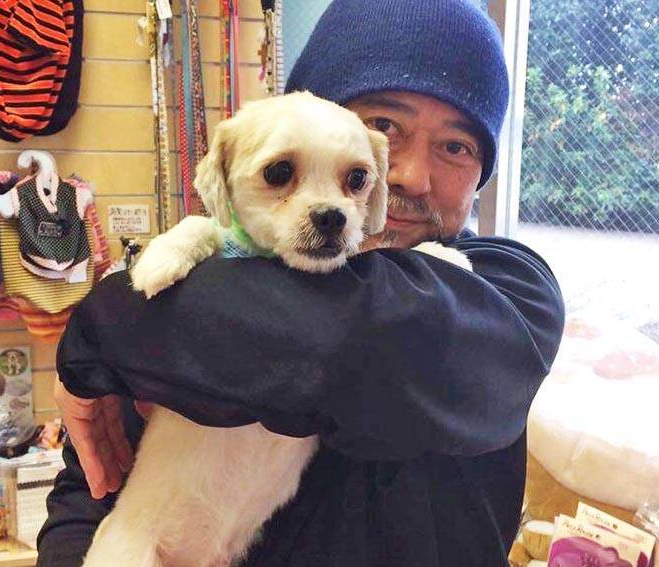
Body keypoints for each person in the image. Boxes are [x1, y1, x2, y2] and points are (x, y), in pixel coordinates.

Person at [38, 1, 565, 565]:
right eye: (383, 126)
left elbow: (345, 335)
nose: (411, 175)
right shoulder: (190, 283)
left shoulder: (510, 289)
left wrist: (103, 327)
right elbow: (91, 490)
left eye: (456, 146)